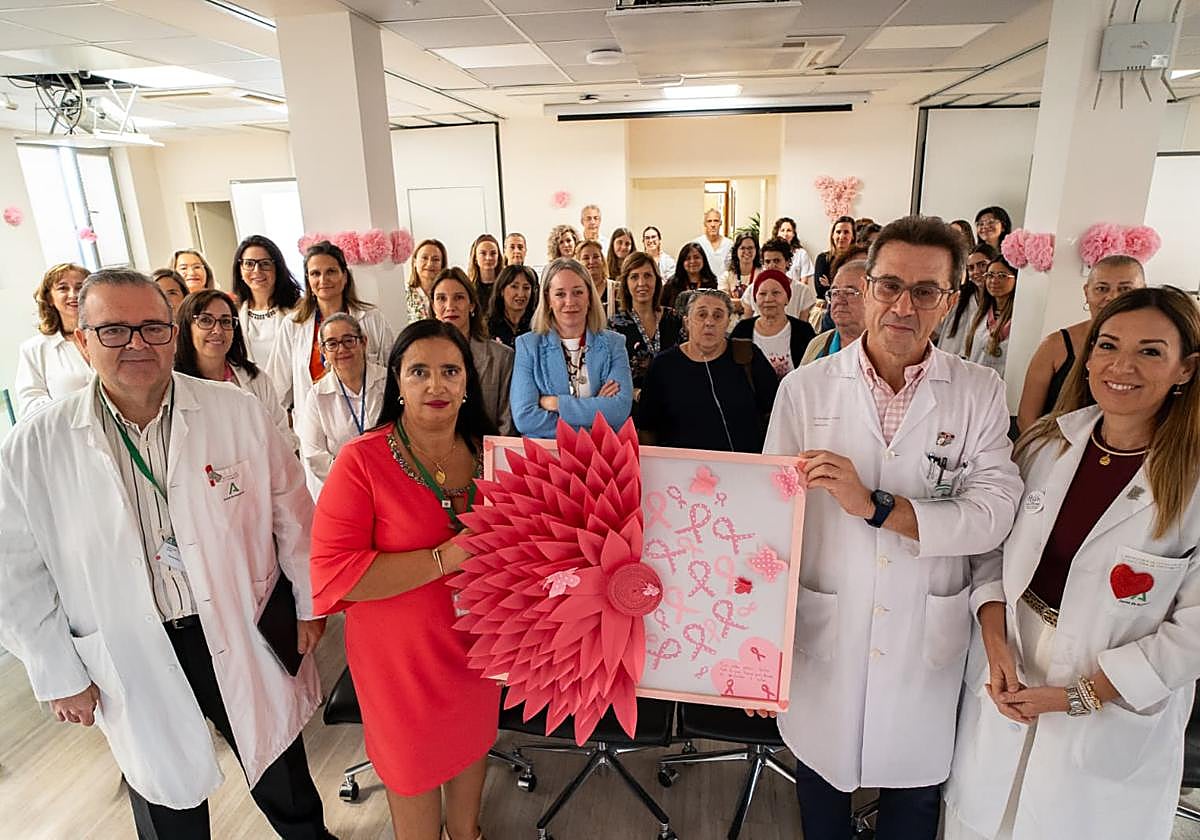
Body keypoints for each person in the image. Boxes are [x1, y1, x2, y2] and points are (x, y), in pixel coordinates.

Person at [0, 269, 332, 839]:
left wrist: (309, 603)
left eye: (153, 328)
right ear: (81, 339)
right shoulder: (36, 444)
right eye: (113, 331)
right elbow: (16, 573)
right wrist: (55, 671)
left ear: (173, 334)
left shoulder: (235, 410)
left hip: (240, 621)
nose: (137, 345)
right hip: (130, 641)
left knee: (282, 768)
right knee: (162, 789)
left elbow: (292, 513)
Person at [763, 215, 1022, 840]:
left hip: (922, 634)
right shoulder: (806, 389)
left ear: (951, 300)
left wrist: (878, 507)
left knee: (914, 799)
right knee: (821, 789)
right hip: (827, 624)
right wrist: (757, 648)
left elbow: (994, 514)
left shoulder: (979, 392)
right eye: (890, 286)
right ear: (865, 286)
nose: (904, 306)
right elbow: (769, 525)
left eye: (926, 291)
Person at [943, 286, 1200, 840]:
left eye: (1151, 351)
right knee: (981, 823)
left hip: (1112, 702)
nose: (1120, 366)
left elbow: (1195, 632)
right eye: (1107, 346)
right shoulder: (1043, 445)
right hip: (1008, 667)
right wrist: (993, 641)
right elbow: (990, 551)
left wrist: (1082, 695)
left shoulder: (1193, 481)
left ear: (1186, 370)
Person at [309, 319, 500, 840]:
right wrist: (448, 556)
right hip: (401, 663)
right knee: (413, 781)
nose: (435, 385)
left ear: (467, 383)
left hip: (477, 650)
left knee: (471, 758)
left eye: (449, 371)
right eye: (419, 371)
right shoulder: (361, 461)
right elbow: (335, 578)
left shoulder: (495, 457)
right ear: (397, 381)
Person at [1016, 254, 1146, 432]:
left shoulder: (1153, 350)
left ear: (1143, 292)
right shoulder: (1055, 345)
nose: (1112, 297)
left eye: (1125, 289)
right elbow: (1026, 418)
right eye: (1102, 288)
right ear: (1086, 292)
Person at [638, 288, 777, 451]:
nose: (709, 322)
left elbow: (775, 413)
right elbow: (647, 428)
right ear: (687, 322)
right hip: (681, 470)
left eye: (718, 316)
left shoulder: (748, 355)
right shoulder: (663, 366)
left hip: (744, 468)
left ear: (727, 322)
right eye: (702, 314)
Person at [510, 257, 632, 439]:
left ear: (589, 297)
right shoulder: (528, 346)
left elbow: (618, 410)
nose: (570, 301)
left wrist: (558, 404)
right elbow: (525, 418)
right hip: (546, 459)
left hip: (603, 458)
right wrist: (591, 425)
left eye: (578, 292)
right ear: (548, 299)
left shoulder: (614, 344)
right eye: (560, 294)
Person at [270, 240, 395, 414]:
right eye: (315, 273)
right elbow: (277, 387)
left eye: (331, 271)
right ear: (308, 280)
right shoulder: (292, 325)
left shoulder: (372, 318)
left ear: (344, 276)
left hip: (369, 419)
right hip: (315, 425)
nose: (323, 280)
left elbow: (393, 372)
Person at [174, 288, 294, 449]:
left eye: (225, 321)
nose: (217, 330)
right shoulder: (173, 386)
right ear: (186, 327)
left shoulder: (256, 379)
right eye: (205, 320)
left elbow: (282, 438)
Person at [297, 313, 387, 499]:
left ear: (363, 342)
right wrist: (354, 480)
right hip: (345, 489)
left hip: (390, 482)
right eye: (332, 343)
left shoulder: (389, 382)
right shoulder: (317, 396)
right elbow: (315, 454)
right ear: (322, 350)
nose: (342, 349)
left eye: (348, 340)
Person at [431, 267, 515, 435]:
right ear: (433, 307)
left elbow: (507, 422)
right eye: (441, 298)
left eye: (459, 298)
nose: (450, 306)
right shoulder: (421, 358)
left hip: (488, 452)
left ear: (472, 305)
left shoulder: (502, 357)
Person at [15, 262, 93, 417]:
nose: (73, 294)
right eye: (63, 288)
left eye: (80, 287)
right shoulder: (34, 349)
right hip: (67, 433)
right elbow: (30, 403)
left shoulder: (112, 337)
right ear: (50, 298)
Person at [607, 251, 682, 391]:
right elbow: (611, 376)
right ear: (626, 283)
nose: (642, 283)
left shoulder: (674, 318)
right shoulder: (615, 326)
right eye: (634, 277)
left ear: (657, 280)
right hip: (633, 403)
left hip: (674, 399)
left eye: (647, 276)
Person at [233, 234, 303, 368]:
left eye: (265, 263)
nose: (257, 270)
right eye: (249, 264)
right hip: (249, 388)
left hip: (294, 388)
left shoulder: (299, 309)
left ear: (277, 268)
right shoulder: (233, 312)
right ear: (240, 269)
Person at [730, 269, 816, 379]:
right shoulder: (742, 330)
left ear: (787, 298)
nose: (769, 299)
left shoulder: (803, 331)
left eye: (776, 293)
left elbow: (813, 371)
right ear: (755, 299)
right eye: (762, 293)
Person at [802, 257, 868, 364]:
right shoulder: (818, 345)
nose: (839, 300)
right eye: (835, 292)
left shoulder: (887, 350)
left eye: (850, 292)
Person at [963, 256, 1017, 378]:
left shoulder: (1019, 319)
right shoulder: (978, 316)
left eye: (1002, 276)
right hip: (973, 385)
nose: (994, 280)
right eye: (990, 275)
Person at [938, 243, 995, 358]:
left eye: (982, 265)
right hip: (946, 362)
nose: (976, 271)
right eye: (971, 268)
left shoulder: (999, 305)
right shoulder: (959, 297)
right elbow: (936, 330)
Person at [742, 237, 818, 323]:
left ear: (787, 261)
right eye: (767, 262)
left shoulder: (803, 291)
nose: (772, 265)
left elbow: (803, 329)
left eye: (776, 261)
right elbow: (746, 326)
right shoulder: (752, 289)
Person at [487, 264, 537, 349]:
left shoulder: (538, 324)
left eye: (526, 288)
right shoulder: (488, 326)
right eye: (514, 287)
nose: (521, 294)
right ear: (502, 290)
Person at [661, 241, 718, 311]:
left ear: (703, 260)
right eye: (688, 258)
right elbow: (662, 308)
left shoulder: (712, 283)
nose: (692, 261)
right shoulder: (672, 284)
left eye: (696, 257)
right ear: (682, 262)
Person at [812, 215, 856, 301]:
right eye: (838, 232)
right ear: (832, 235)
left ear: (853, 236)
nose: (841, 236)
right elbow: (821, 291)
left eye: (846, 232)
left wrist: (830, 286)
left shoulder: (856, 260)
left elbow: (857, 291)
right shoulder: (823, 259)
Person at [407, 239, 447, 324]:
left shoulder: (448, 294)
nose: (429, 264)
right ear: (414, 262)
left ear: (442, 265)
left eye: (435, 259)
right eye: (424, 258)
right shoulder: (403, 295)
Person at [721, 232, 760, 318]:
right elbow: (723, 304)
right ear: (736, 251)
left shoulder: (762, 275)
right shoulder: (726, 276)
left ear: (756, 250)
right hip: (730, 327)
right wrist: (749, 304)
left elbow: (761, 304)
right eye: (742, 248)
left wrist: (736, 303)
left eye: (750, 248)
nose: (746, 251)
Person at [467, 234, 504, 315]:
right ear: (475, 258)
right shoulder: (468, 289)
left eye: (493, 253)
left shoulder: (506, 286)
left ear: (498, 257)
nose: (488, 258)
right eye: (483, 253)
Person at [771, 216, 815, 285]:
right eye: (782, 230)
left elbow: (804, 282)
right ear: (777, 233)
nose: (785, 234)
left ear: (793, 234)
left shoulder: (802, 253)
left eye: (789, 230)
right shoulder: (770, 253)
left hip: (795, 293)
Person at [694, 209, 733, 278]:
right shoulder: (697, 244)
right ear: (705, 224)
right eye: (709, 221)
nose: (713, 225)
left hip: (723, 285)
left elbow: (732, 269)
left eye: (716, 221)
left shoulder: (729, 244)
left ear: (720, 223)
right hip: (703, 284)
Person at [575, 239, 610, 312]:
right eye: (586, 258)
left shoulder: (617, 290)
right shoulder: (574, 293)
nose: (591, 261)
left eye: (596, 256)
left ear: (603, 261)